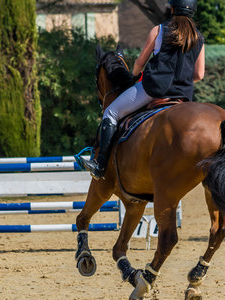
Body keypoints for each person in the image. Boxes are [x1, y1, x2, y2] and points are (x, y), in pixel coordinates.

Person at [82, 0, 205, 180]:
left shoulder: (159, 30)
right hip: (183, 95)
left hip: (153, 89)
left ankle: (100, 165)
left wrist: (134, 76)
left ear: (171, 8)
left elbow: (140, 63)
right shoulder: (199, 38)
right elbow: (199, 74)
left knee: (111, 112)